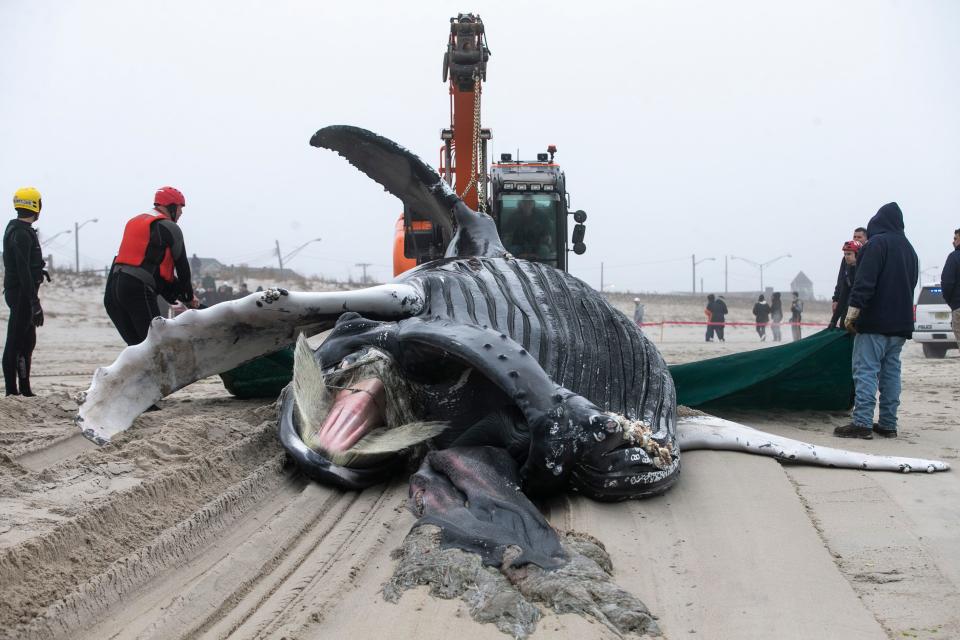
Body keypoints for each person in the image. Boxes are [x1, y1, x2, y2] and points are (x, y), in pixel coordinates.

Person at [835, 202, 918, 439]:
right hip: (900, 324)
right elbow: (911, 285)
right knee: (891, 372)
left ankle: (862, 422)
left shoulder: (876, 244)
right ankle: (888, 424)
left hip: (874, 322)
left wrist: (853, 311)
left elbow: (865, 281)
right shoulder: (910, 250)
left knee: (866, 370)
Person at [104, 186, 198, 346]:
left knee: (138, 349)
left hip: (112, 292)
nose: (181, 213)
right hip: (137, 290)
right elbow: (183, 268)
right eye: (180, 208)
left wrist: (181, 296)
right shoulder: (170, 227)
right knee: (156, 347)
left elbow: (153, 272)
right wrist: (188, 297)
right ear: (171, 206)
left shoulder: (134, 222)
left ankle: (134, 371)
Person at [3, 187, 49, 396]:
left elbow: (27, 265)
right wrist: (34, 303)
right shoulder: (20, 233)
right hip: (21, 294)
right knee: (15, 340)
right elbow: (22, 270)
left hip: (24, 293)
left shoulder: (20, 230)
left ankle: (25, 389)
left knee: (27, 341)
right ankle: (12, 392)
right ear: (35, 206)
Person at [832, 227, 868, 318]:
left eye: (859, 237)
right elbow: (841, 279)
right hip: (846, 299)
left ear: (866, 239)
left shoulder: (869, 257)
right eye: (854, 237)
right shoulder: (846, 258)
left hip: (861, 303)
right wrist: (836, 299)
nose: (856, 239)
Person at [828, 240, 862, 328]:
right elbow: (843, 296)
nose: (846, 257)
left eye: (849, 254)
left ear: (858, 254)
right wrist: (833, 320)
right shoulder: (848, 270)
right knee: (843, 324)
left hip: (863, 314)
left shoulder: (864, 272)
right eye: (845, 254)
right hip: (849, 309)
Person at [940, 228, 960, 348]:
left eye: (955, 238)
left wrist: (953, 304)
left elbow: (947, 283)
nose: (953, 242)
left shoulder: (954, 257)